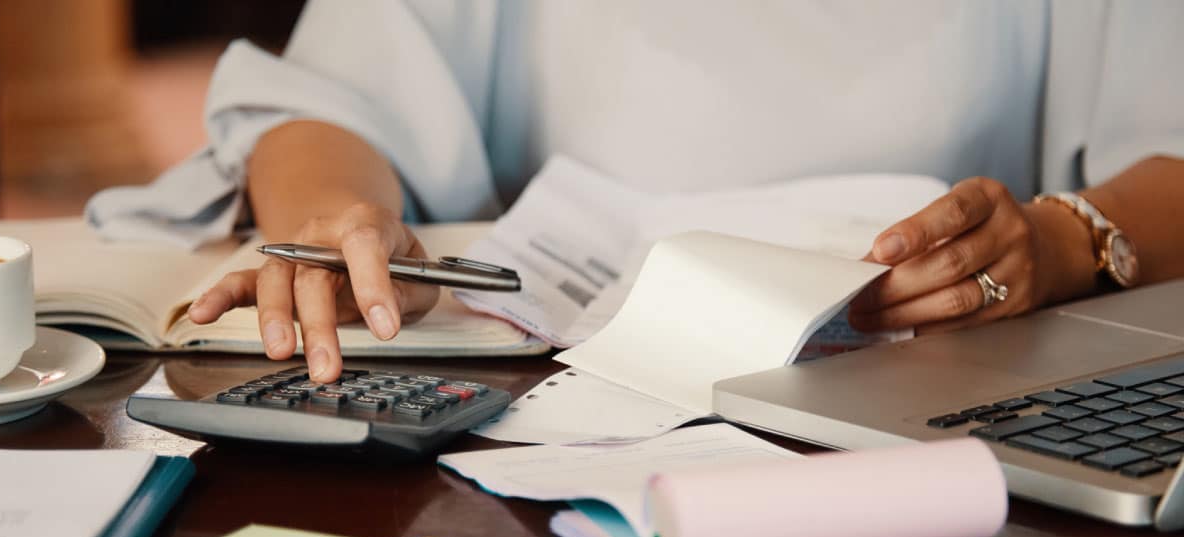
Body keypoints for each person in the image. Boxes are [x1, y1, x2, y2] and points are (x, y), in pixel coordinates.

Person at [94, 1, 1184, 384]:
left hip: (935, 405)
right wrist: (339, 216)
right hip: (569, 400)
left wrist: (1064, 237)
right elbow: (325, 103)